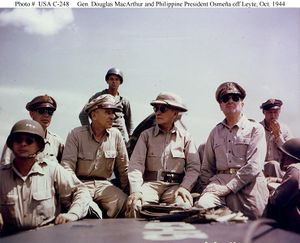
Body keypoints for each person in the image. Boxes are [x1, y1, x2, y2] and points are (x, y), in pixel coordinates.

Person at [0, 120, 90, 235]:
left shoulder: (52, 170)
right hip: (10, 237)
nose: (23, 144)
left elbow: (81, 190)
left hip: (47, 236)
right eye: (18, 140)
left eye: (29, 141)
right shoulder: (2, 175)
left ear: (39, 146)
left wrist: (73, 214)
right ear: (12, 145)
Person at [196, 82, 269, 219]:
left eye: (235, 97)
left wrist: (228, 188)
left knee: (254, 222)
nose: (230, 101)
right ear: (220, 106)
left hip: (248, 186)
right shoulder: (215, 132)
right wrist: (205, 190)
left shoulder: (256, 129)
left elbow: (254, 166)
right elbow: (207, 168)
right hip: (219, 184)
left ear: (242, 103)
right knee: (203, 207)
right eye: (225, 98)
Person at [126, 92, 200, 218]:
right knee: (135, 205)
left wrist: (185, 187)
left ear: (176, 113)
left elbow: (194, 167)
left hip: (175, 187)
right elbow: (136, 165)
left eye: (163, 109)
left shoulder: (186, 137)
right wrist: (136, 190)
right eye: (156, 108)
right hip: (150, 185)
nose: (158, 112)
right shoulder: (146, 135)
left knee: (184, 206)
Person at [61, 94, 129, 218]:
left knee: (129, 206)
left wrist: (129, 193)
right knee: (82, 207)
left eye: (113, 113)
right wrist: (76, 187)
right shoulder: (76, 134)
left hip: (105, 185)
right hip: (80, 184)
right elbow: (67, 166)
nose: (112, 116)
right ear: (94, 115)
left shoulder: (116, 135)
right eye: (108, 112)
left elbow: (124, 169)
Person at [1, 95, 64, 164]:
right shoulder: (17, 138)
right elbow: (5, 166)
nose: (46, 115)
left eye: (50, 112)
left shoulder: (57, 142)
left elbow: (65, 167)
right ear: (31, 114)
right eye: (41, 111)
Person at [79, 67, 133, 143]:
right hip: (102, 136)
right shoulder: (99, 97)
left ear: (120, 82)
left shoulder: (124, 101)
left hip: (120, 137)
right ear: (107, 81)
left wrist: (131, 137)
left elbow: (129, 121)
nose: (114, 81)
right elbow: (83, 115)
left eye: (117, 79)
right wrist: (89, 131)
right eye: (111, 79)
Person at [267, 138, 300, 233]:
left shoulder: (295, 169)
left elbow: (278, 199)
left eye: (284, 154)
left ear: (290, 157)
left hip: (294, 225)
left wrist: (270, 194)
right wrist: (277, 180)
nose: (281, 157)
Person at [259, 98, 293, 184]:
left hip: (279, 170)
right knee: (272, 164)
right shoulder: (257, 128)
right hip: (260, 167)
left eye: (276, 112)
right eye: (270, 112)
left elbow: (290, 153)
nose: (273, 115)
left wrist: (278, 135)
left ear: (279, 112)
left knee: (274, 165)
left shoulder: (285, 129)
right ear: (264, 112)